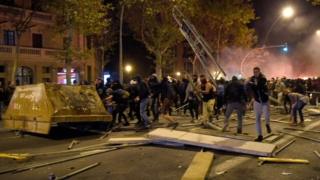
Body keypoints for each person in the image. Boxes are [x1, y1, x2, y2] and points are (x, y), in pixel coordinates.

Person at [248, 67, 271, 142]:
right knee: (257, 119)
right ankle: (260, 135)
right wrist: (248, 83)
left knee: (266, 116)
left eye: (257, 72)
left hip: (264, 100)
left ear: (259, 72)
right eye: (254, 72)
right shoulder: (252, 78)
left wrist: (251, 83)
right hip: (257, 101)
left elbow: (259, 86)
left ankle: (267, 124)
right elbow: (249, 88)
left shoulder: (263, 78)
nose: (255, 73)